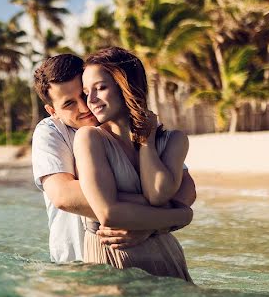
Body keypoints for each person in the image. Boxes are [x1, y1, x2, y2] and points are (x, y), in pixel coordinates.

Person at [31, 54, 196, 264]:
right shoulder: (51, 131)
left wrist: (149, 226)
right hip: (77, 262)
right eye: (70, 103)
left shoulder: (123, 123)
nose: (85, 106)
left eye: (85, 94)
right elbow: (64, 196)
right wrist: (149, 218)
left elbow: (185, 189)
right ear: (52, 111)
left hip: (144, 251)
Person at [74, 47, 193, 280]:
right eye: (87, 92)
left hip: (165, 255)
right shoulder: (90, 138)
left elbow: (157, 193)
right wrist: (182, 217)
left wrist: (146, 140)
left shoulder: (173, 140)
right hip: (112, 258)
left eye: (101, 88)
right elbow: (108, 213)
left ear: (126, 86)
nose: (91, 100)